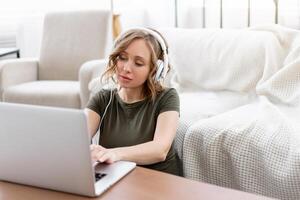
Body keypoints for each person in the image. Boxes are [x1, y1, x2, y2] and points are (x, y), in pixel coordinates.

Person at [84, 27, 180, 176]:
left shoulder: (167, 97)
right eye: (122, 57)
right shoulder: (103, 99)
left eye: (139, 63)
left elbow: (160, 149)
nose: (126, 68)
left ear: (156, 70)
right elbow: (77, 137)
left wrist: (114, 154)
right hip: (117, 179)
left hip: (158, 182)